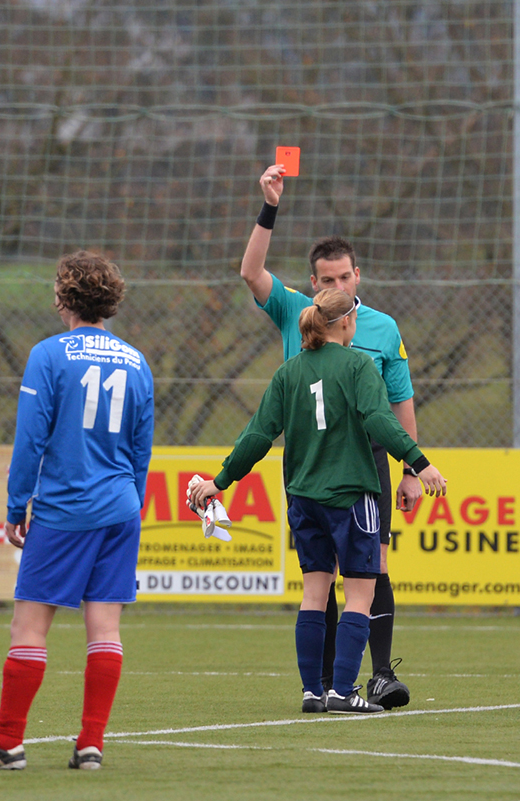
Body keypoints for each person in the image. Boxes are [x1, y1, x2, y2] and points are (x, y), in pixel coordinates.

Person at [190, 289, 444, 713]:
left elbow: (257, 436)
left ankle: (313, 691)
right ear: (346, 322)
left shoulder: (288, 372)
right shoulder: (360, 364)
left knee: (314, 592)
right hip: (351, 495)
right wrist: (418, 462)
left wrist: (221, 481)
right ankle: (343, 692)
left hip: (303, 498)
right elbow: (380, 419)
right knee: (360, 594)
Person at [0, 251, 153, 771]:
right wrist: (134, 506)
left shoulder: (48, 354)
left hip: (66, 510)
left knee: (29, 628)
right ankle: (90, 745)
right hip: (120, 508)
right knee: (105, 628)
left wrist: (18, 504)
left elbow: (30, 440)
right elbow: (140, 450)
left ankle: (8, 743)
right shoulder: (136, 361)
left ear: (64, 297)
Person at [238, 165, 420, 709]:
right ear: (312, 282)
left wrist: (410, 469)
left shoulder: (383, 328)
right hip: (311, 465)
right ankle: (327, 685)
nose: (336, 287)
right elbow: (250, 272)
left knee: (370, 566)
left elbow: (399, 401)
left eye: (345, 278)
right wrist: (269, 206)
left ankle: (379, 675)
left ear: (357, 276)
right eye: (326, 279)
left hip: (367, 464)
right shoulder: (297, 311)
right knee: (328, 575)